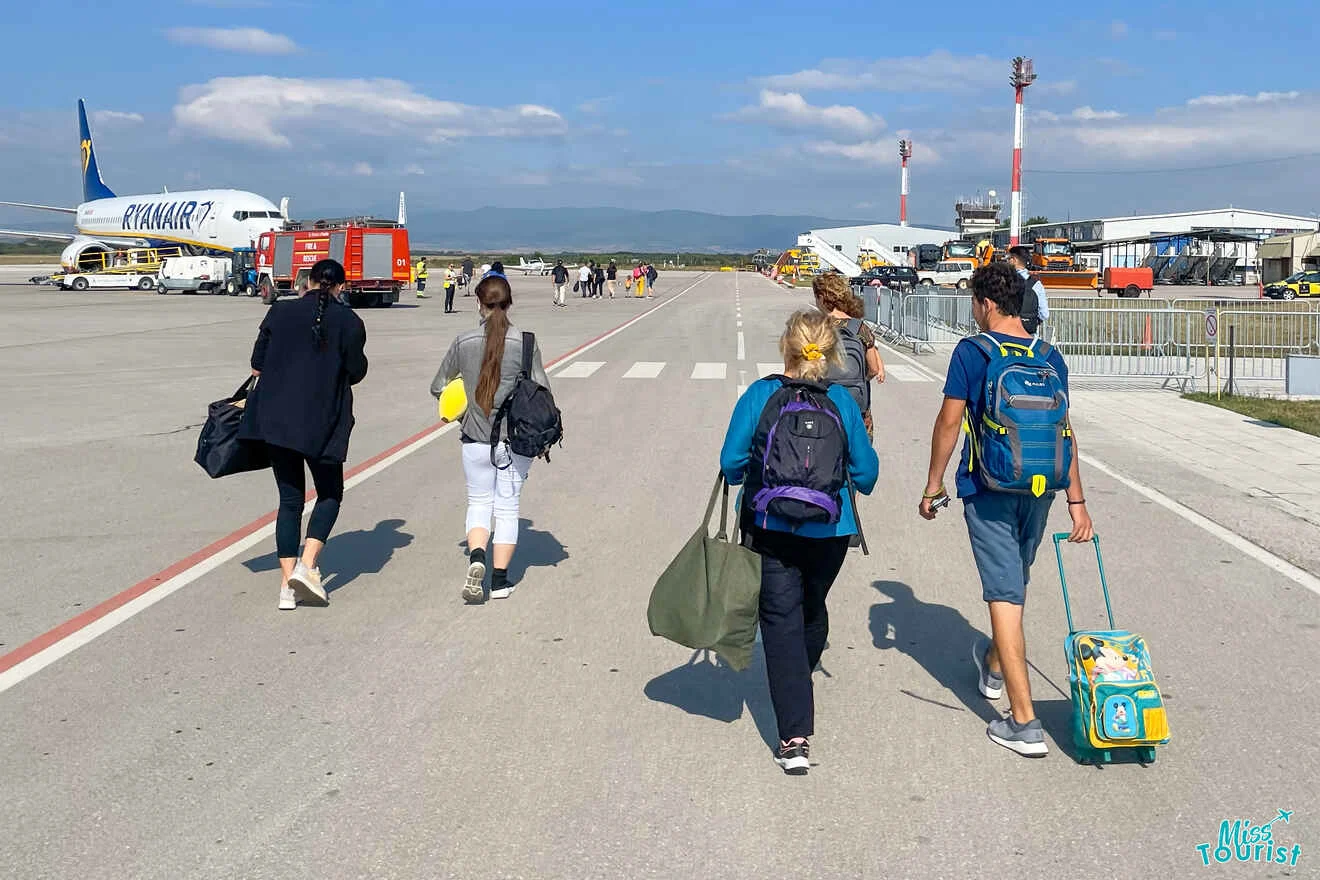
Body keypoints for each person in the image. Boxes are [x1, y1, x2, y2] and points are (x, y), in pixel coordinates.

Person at [918, 260, 1093, 758]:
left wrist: (933, 485)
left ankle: (1025, 723)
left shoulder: (973, 352)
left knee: (1004, 596)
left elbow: (949, 422)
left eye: (974, 303)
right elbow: (1065, 431)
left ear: (987, 304)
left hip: (989, 487)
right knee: (1014, 586)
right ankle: (995, 665)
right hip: (1041, 491)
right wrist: (1076, 502)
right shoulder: (1050, 356)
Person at [720, 309, 879, 775]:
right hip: (831, 531)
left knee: (780, 618)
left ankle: (794, 737)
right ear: (832, 354)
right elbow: (866, 476)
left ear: (785, 348)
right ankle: (799, 678)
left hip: (768, 525)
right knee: (812, 605)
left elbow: (731, 464)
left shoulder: (760, 395)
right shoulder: (842, 404)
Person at [239, 259, 369, 611]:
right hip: (324, 421)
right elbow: (356, 371)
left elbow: (257, 363)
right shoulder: (350, 322)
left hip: (277, 421)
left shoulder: (280, 313)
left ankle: (286, 586)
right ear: (341, 286)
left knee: (290, 500)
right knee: (329, 493)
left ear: (308, 282)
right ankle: (308, 567)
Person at [430, 270, 551, 604]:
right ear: (509, 303)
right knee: (508, 509)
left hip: (474, 439)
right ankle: (499, 582)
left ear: (479, 304)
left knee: (479, 503)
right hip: (515, 442)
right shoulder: (526, 342)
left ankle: (477, 558)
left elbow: (438, 386)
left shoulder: (464, 341)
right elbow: (541, 389)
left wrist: (465, 404)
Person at [812, 273, 885, 442]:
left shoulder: (816, 329)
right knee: (860, 449)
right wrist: (859, 379)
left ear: (822, 298)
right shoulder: (860, 327)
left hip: (824, 403)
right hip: (857, 403)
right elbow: (874, 369)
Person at [1005, 246, 1048, 336]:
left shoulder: (1004, 281)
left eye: (1008, 259)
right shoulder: (1036, 284)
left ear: (1014, 260)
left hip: (1006, 333)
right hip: (1029, 335)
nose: (1007, 262)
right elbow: (1044, 314)